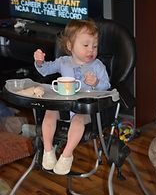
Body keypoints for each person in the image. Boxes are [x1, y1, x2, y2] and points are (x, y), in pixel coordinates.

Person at [34, 19, 110, 175]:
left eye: (95, 46)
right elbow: (45, 70)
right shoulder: (63, 62)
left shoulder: (97, 66)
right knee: (49, 112)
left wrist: (96, 82)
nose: (91, 50)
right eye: (86, 45)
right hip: (64, 107)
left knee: (78, 120)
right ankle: (48, 151)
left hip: (86, 111)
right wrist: (39, 62)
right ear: (70, 46)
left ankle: (66, 155)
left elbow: (107, 86)